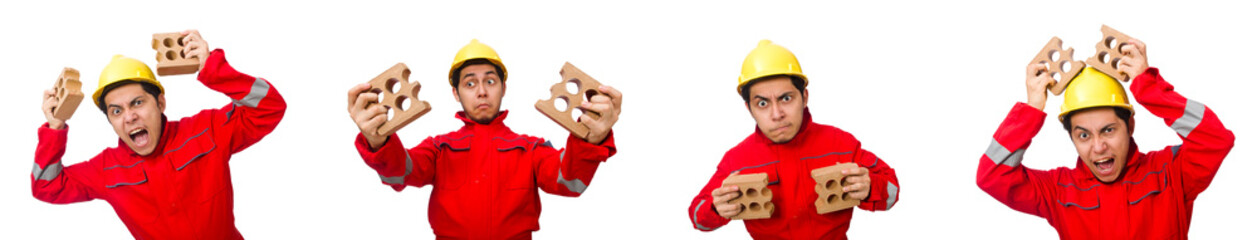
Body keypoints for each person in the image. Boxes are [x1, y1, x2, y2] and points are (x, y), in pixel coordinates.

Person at [346, 39, 623, 239]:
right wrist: (377, 141)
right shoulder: (438, 149)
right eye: (469, 83)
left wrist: (591, 140)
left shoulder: (531, 149)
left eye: (490, 81)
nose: (481, 91)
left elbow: (570, 182)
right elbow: (400, 173)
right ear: (456, 93)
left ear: (503, 88)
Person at [32, 30, 286, 239]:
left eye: (138, 103)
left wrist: (214, 69)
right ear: (110, 120)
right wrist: (55, 128)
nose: (129, 117)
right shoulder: (106, 170)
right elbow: (46, 186)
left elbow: (269, 107)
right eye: (116, 111)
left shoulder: (206, 131)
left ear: (160, 103)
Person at [976, 37, 1234, 239]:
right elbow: (992, 176)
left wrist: (1148, 88)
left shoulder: (1170, 173)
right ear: (1071, 138)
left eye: (1108, 130)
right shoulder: (1058, 191)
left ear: (1129, 126)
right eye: (1083, 135)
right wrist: (1032, 109)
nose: (1098, 147)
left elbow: (1215, 140)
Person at [687, 40, 900, 239]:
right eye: (762, 103)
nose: (777, 114)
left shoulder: (841, 144)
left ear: (804, 97)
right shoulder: (737, 160)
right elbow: (697, 217)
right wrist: (715, 208)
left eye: (786, 98)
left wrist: (870, 187)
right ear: (749, 108)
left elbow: (892, 190)